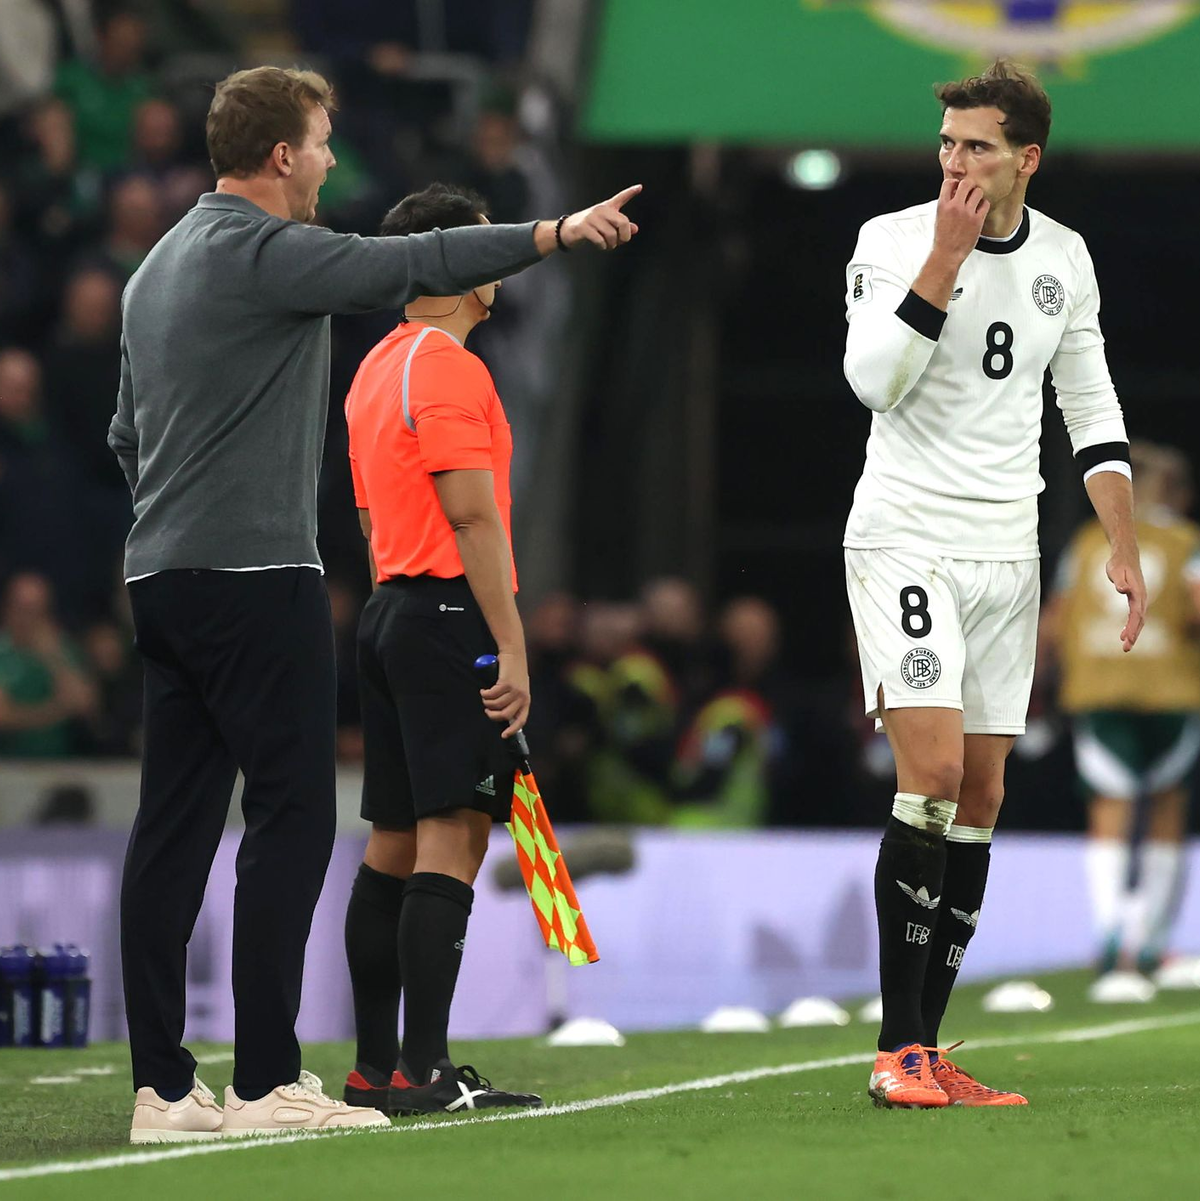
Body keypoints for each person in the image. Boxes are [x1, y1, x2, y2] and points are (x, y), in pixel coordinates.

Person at [108, 65, 641, 1143]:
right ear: (279, 159)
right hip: (256, 576)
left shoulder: (154, 268)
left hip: (158, 574)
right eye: (321, 142)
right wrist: (556, 232)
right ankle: (264, 1082)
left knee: (169, 831)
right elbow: (413, 260)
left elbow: (125, 436)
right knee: (294, 814)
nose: (332, 162)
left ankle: (162, 1089)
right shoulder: (266, 252)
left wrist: (182, 511)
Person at [841, 59, 1145, 1108]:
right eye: (946, 144)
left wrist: (1122, 540)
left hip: (1009, 553)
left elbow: (1091, 406)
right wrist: (945, 259)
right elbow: (871, 382)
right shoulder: (893, 239)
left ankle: (927, 1048)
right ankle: (894, 1050)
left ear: (1027, 157)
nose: (955, 163)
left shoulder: (1065, 256)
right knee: (925, 769)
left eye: (976, 145)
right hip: (906, 538)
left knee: (980, 792)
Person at [340, 183, 545, 1115]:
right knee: (452, 836)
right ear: (454, 263)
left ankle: (377, 1065)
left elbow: (372, 511)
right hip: (446, 615)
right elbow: (470, 512)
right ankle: (427, 1071)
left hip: (387, 608)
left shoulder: (376, 366)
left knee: (390, 843)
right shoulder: (452, 370)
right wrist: (510, 641)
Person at [1045, 444, 1200, 997]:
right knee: (1166, 810)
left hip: (1100, 689)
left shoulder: (1087, 544)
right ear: (1176, 493)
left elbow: (1055, 624)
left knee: (1109, 812)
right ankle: (1152, 941)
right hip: (1171, 691)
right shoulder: (1186, 542)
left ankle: (1112, 936)